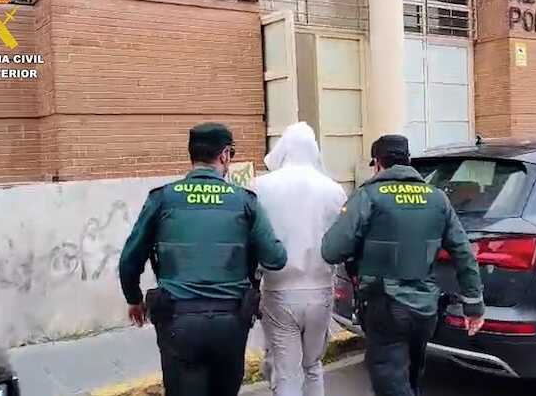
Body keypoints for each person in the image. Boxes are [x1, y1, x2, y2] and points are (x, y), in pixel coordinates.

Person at [118, 122, 288, 396]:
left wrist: (134, 299)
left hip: (178, 322)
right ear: (224, 155)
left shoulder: (163, 198)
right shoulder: (245, 201)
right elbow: (276, 258)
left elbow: (130, 258)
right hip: (230, 323)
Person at [321, 134, 485, 396]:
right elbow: (463, 253)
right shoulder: (437, 198)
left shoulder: (368, 196)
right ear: (408, 160)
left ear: (377, 163)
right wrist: (474, 305)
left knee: (391, 382)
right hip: (426, 309)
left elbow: (331, 250)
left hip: (385, 306)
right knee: (410, 379)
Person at [253, 122, 347, 396]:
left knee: (287, 373)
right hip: (320, 289)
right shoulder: (334, 190)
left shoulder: (260, 187)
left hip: (278, 290)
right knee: (313, 366)